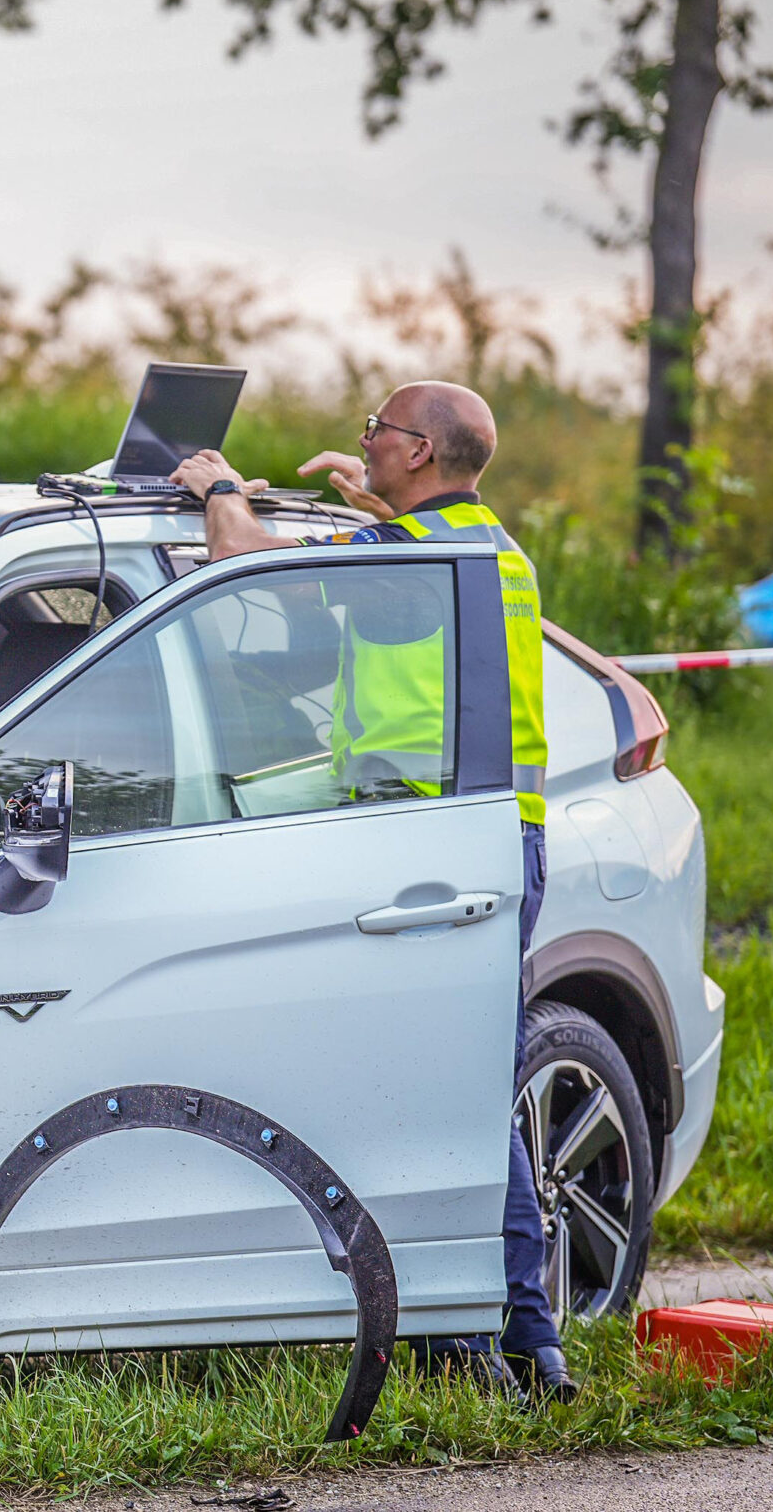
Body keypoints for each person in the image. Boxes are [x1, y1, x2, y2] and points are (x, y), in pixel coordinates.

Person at [170, 381, 572, 1403]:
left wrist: (219, 489)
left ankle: (499, 1342)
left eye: (378, 430)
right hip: (481, 841)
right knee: (464, 1090)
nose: (362, 440)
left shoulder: (409, 561)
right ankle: (520, 1342)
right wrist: (382, 516)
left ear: (423, 450)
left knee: (462, 1098)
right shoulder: (483, 549)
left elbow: (236, 568)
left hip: (434, 848)